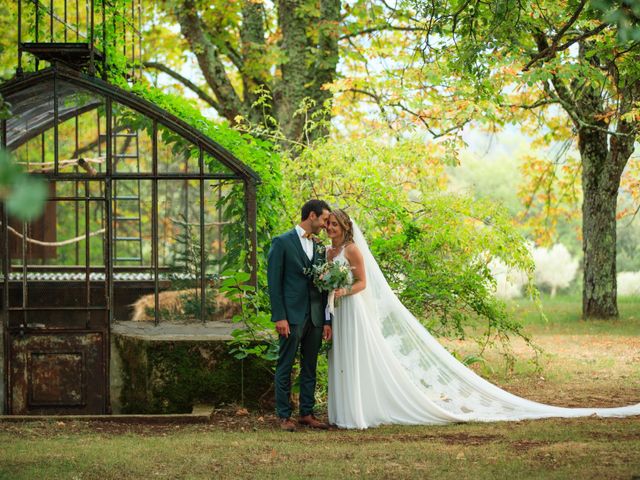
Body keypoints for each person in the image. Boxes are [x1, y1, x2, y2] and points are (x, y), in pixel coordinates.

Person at [324, 209, 640, 429]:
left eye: (335, 226)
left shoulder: (352, 250)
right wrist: (329, 289)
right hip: (339, 313)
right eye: (328, 226)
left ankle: (358, 414)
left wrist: (343, 293)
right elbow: (327, 277)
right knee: (341, 359)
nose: (331, 230)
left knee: (356, 358)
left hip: (353, 310)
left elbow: (362, 283)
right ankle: (343, 414)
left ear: (346, 228)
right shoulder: (328, 253)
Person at [267, 199, 333, 431]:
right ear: (312, 216)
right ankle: (284, 416)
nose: (326, 224)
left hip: (315, 317)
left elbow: (324, 286)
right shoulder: (282, 242)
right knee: (285, 365)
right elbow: (273, 283)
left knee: (310, 366)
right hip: (291, 317)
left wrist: (326, 320)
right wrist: (279, 316)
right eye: (325, 219)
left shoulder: (320, 247)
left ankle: (307, 413)